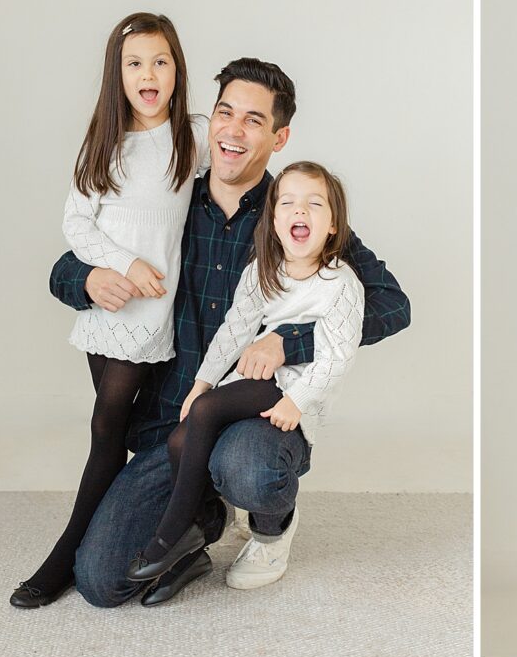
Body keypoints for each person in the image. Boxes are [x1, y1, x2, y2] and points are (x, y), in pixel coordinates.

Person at [28, 57, 409, 609]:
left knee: (249, 470)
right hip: (170, 421)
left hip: (249, 421)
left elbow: (393, 304)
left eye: (254, 121)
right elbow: (66, 264)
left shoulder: (297, 213)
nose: (233, 130)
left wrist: (290, 341)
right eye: (225, 113)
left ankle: (270, 524)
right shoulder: (172, 200)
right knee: (101, 581)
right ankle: (203, 522)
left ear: (280, 137)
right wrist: (88, 279)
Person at [11, 12, 209, 607]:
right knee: (112, 426)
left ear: (177, 69)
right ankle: (104, 538)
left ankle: (69, 552)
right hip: (108, 307)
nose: (148, 74)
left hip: (153, 311)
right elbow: (76, 223)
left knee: (110, 426)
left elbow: (235, 166)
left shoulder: (191, 136)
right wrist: (116, 267)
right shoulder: (103, 144)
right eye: (134, 63)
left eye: (160, 61)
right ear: (115, 74)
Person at [126, 161, 364, 584]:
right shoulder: (261, 271)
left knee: (206, 414)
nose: (300, 212)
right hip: (256, 381)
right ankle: (198, 528)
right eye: (288, 203)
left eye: (314, 205)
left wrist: (298, 400)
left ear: (332, 225)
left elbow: (337, 357)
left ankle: (172, 534)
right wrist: (201, 383)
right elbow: (233, 332)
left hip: (294, 393)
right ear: (274, 221)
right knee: (183, 434)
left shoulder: (340, 283)